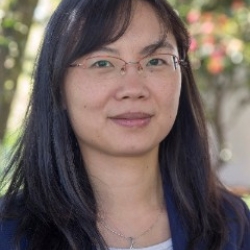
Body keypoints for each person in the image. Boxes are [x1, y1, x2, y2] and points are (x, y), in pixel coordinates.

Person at [0, 0, 249, 249]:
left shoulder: (233, 226)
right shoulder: (8, 233)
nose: (133, 89)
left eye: (155, 61)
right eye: (102, 63)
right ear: (58, 86)